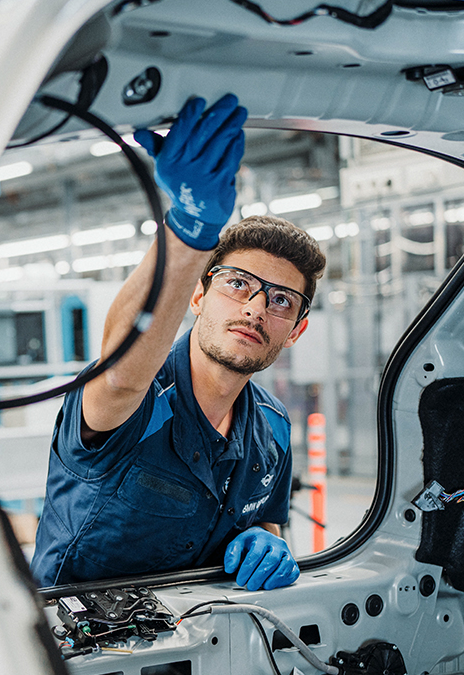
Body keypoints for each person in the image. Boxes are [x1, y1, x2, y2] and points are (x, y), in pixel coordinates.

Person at [32, 94, 325, 590]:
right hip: (80, 654)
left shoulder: (273, 430)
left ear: (295, 330)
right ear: (197, 296)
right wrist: (190, 228)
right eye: (237, 283)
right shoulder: (135, 398)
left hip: (204, 645)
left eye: (281, 301)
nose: (256, 307)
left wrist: (268, 541)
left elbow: (264, 521)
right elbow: (122, 375)